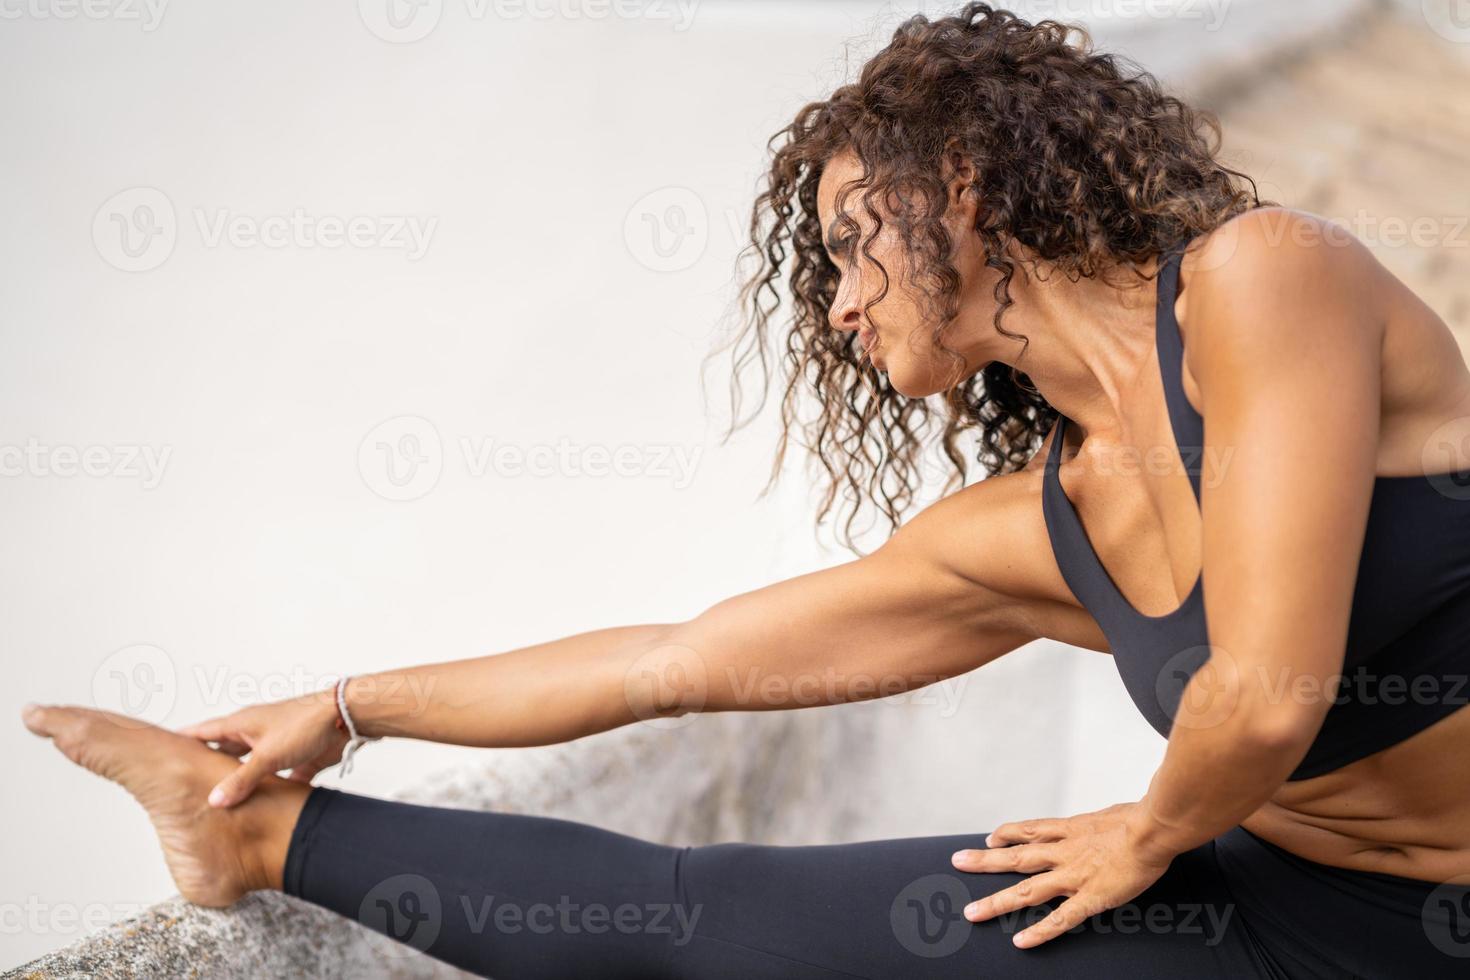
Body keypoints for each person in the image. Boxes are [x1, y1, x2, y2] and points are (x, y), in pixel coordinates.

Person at [23, 4, 1470, 976]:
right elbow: (673, 663)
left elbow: (1268, 687)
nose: (835, 306)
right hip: (1287, 916)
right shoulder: (1024, 533)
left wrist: (1147, 827)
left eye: (850, 243)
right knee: (705, 924)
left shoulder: (1261, 280)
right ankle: (259, 836)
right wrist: (343, 709)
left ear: (964, 186)